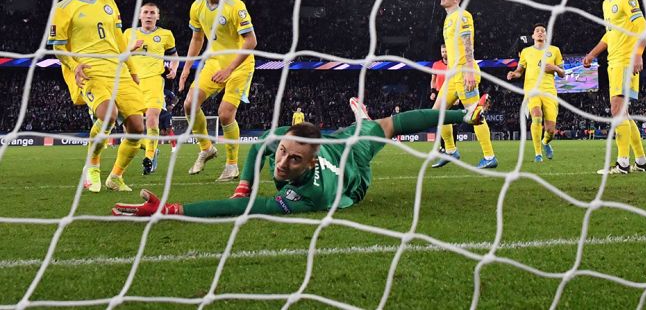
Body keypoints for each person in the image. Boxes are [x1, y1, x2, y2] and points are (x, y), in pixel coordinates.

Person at [111, 97, 487, 217]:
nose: (282, 163)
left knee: (381, 127)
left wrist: (172, 209)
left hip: (351, 170)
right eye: (284, 153)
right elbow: (260, 147)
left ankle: (364, 120)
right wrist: (243, 184)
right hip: (339, 138)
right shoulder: (283, 144)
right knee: (378, 125)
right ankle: (360, 120)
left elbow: (247, 211)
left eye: (293, 162)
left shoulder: (310, 195)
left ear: (309, 164)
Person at [47, 0, 146, 192]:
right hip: (89, 68)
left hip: (117, 69)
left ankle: (116, 176)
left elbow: (120, 41)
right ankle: (92, 164)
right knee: (108, 114)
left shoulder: (109, 2)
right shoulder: (62, 9)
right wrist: (74, 66)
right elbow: (58, 47)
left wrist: (132, 69)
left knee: (137, 128)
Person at [178, 0, 258, 182]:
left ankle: (232, 165)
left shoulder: (235, 6)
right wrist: (186, 68)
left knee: (225, 114)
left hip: (239, 64)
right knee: (189, 104)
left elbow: (251, 41)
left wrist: (230, 69)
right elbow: (197, 38)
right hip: (214, 62)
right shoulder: (197, 7)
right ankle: (206, 148)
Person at [583, 0, 646, 175]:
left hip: (625, 62)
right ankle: (640, 160)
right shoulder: (606, 4)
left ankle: (622, 163)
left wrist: (638, 54)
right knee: (624, 114)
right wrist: (593, 53)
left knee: (617, 111)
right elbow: (610, 34)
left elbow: (643, 28)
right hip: (614, 62)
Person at [434, 0, 497, 168]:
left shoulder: (463, 16)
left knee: (475, 115)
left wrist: (469, 68)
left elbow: (467, 42)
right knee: (436, 114)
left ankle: (489, 156)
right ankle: (451, 151)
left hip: (464, 72)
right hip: (453, 75)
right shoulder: (448, 19)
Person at [124, 3, 177, 175]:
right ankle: (150, 147)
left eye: (152, 13)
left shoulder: (165, 34)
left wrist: (174, 69)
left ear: (157, 16)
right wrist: (131, 48)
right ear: (140, 16)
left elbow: (174, 56)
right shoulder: (128, 33)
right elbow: (118, 55)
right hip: (132, 82)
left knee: (152, 118)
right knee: (131, 131)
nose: (148, 15)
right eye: (145, 12)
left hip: (154, 81)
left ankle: (149, 157)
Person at [508, 23, 565, 162]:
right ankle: (538, 154)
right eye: (537, 31)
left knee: (550, 130)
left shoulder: (555, 50)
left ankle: (545, 143)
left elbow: (563, 73)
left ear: (546, 35)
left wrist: (555, 68)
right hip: (531, 90)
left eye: (542, 31)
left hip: (549, 91)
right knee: (537, 116)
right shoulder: (526, 52)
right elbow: (519, 71)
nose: (540, 33)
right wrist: (513, 74)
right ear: (533, 35)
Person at [429, 44, 457, 164]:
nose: (444, 53)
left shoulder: (453, 64)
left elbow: (457, 79)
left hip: (453, 94)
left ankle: (452, 147)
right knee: (439, 120)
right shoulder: (436, 65)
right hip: (440, 95)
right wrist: (433, 92)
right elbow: (433, 80)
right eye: (442, 51)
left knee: (452, 122)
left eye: (446, 51)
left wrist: (458, 96)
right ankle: (442, 148)